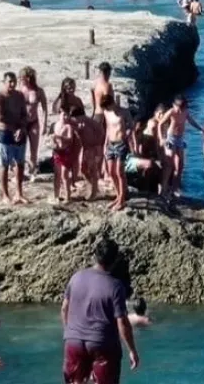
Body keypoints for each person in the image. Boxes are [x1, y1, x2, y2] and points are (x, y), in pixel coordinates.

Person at [62, 239, 140, 384]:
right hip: (103, 344)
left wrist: (70, 332)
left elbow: (64, 308)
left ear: (95, 255)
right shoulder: (116, 286)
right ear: (115, 260)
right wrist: (132, 350)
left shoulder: (76, 277)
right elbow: (122, 323)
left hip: (74, 342)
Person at [158, 96, 204, 197]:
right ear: (174, 105)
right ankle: (164, 189)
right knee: (169, 165)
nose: (180, 109)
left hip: (180, 138)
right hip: (171, 138)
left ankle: (175, 188)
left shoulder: (185, 112)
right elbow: (160, 124)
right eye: (178, 107)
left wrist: (200, 129)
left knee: (180, 165)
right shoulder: (171, 112)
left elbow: (191, 121)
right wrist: (161, 138)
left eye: (182, 107)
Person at [0, 72, 29, 205]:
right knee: (4, 164)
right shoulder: (0, 96)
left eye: (14, 81)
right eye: (10, 81)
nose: (13, 84)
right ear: (4, 82)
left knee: (20, 163)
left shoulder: (19, 95)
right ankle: (5, 195)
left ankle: (19, 193)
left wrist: (22, 128)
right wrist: (14, 128)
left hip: (19, 131)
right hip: (5, 133)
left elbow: (24, 114)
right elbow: (0, 117)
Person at [101, 95, 132, 212]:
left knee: (119, 172)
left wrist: (128, 133)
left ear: (112, 103)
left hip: (121, 143)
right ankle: (118, 196)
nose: (107, 109)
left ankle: (122, 200)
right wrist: (105, 144)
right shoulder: (106, 112)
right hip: (110, 143)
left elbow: (131, 125)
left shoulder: (124, 112)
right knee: (111, 172)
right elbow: (108, 128)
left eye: (108, 106)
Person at [19, 67, 47, 178]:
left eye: (23, 77)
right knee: (21, 148)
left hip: (34, 122)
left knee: (34, 149)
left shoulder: (39, 91)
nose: (21, 79)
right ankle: (20, 172)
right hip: (22, 123)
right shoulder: (19, 90)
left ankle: (32, 171)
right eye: (20, 77)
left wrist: (44, 124)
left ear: (29, 78)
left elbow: (44, 108)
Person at [51, 106, 82, 204]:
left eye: (67, 115)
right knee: (57, 174)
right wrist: (52, 140)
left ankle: (68, 196)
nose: (65, 117)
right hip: (57, 151)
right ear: (59, 114)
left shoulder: (68, 127)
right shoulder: (56, 125)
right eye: (63, 114)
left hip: (66, 152)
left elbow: (70, 139)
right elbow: (52, 137)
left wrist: (59, 137)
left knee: (64, 174)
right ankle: (56, 195)